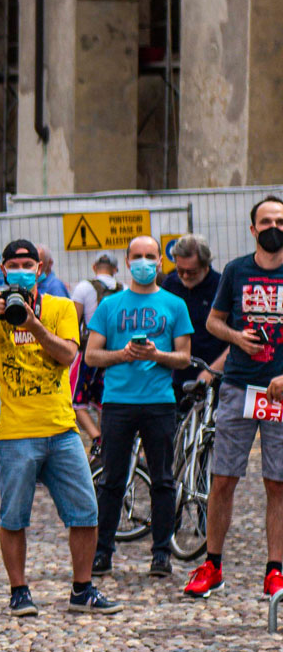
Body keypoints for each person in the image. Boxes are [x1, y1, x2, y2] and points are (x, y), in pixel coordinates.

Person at [0, 239, 118, 616]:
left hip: (62, 428)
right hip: (15, 433)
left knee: (85, 513)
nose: (20, 269)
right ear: (3, 270)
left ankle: (82, 589)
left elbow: (68, 355)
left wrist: (31, 322)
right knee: (13, 518)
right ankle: (19, 591)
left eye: (26, 263)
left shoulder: (60, 307)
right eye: (12, 264)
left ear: (39, 269)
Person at [187, 196, 283, 600]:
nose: (273, 226)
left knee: (277, 483)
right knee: (223, 477)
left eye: (280, 220)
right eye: (266, 221)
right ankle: (213, 564)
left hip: (279, 393)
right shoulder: (236, 271)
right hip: (239, 386)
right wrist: (235, 338)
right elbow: (214, 321)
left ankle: (275, 571)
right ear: (253, 229)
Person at [84, 234, 192, 578]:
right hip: (117, 403)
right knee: (112, 480)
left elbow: (184, 357)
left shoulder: (175, 305)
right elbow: (91, 355)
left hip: (160, 403)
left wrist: (157, 355)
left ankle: (161, 553)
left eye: (150, 256)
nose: (144, 262)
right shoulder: (110, 305)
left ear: (160, 262)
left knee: (162, 480)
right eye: (137, 256)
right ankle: (102, 551)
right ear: (127, 262)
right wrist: (123, 355)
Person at [162, 234, 226, 394]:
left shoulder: (221, 286)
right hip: (176, 375)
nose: (184, 276)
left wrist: (212, 371)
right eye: (180, 270)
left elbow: (235, 339)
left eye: (191, 272)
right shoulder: (170, 284)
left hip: (214, 373)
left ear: (205, 266)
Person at [72, 252, 121, 327]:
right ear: (115, 269)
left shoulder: (82, 287)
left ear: (94, 267)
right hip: (118, 337)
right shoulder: (124, 288)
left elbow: (74, 321)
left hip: (91, 336)